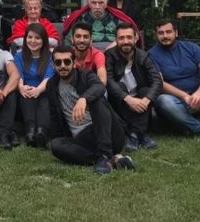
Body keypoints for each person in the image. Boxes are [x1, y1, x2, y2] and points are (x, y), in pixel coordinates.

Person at [47, 45, 134, 175]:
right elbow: (55, 117)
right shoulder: (51, 85)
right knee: (55, 145)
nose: (63, 66)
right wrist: (62, 142)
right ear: (53, 65)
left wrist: (84, 99)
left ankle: (104, 154)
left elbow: (100, 87)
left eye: (67, 62)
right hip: (82, 139)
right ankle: (110, 159)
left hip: (107, 132)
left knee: (98, 100)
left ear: (74, 63)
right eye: (58, 62)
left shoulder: (86, 75)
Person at [104, 23, 161, 151]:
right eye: (121, 38)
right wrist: (128, 99)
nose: (126, 41)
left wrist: (146, 100)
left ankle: (134, 134)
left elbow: (157, 80)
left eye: (129, 37)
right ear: (116, 40)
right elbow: (109, 81)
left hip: (140, 101)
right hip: (120, 101)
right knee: (119, 86)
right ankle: (141, 135)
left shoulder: (143, 56)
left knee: (146, 91)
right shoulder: (109, 55)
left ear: (135, 39)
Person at [13, 23, 56, 147]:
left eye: (37, 38)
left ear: (44, 40)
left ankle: (42, 131)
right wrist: (21, 87)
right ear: (25, 38)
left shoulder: (50, 56)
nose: (33, 41)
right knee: (27, 96)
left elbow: (49, 76)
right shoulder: (19, 56)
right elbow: (18, 75)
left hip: (44, 89)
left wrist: (38, 90)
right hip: (26, 90)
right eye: (30, 37)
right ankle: (30, 131)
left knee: (44, 100)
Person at [62, 0, 139, 50]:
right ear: (89, 4)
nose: (97, 6)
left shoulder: (116, 18)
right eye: (94, 3)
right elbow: (68, 40)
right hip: (88, 53)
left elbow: (133, 36)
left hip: (114, 51)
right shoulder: (81, 18)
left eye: (101, 3)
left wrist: (113, 45)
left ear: (106, 4)